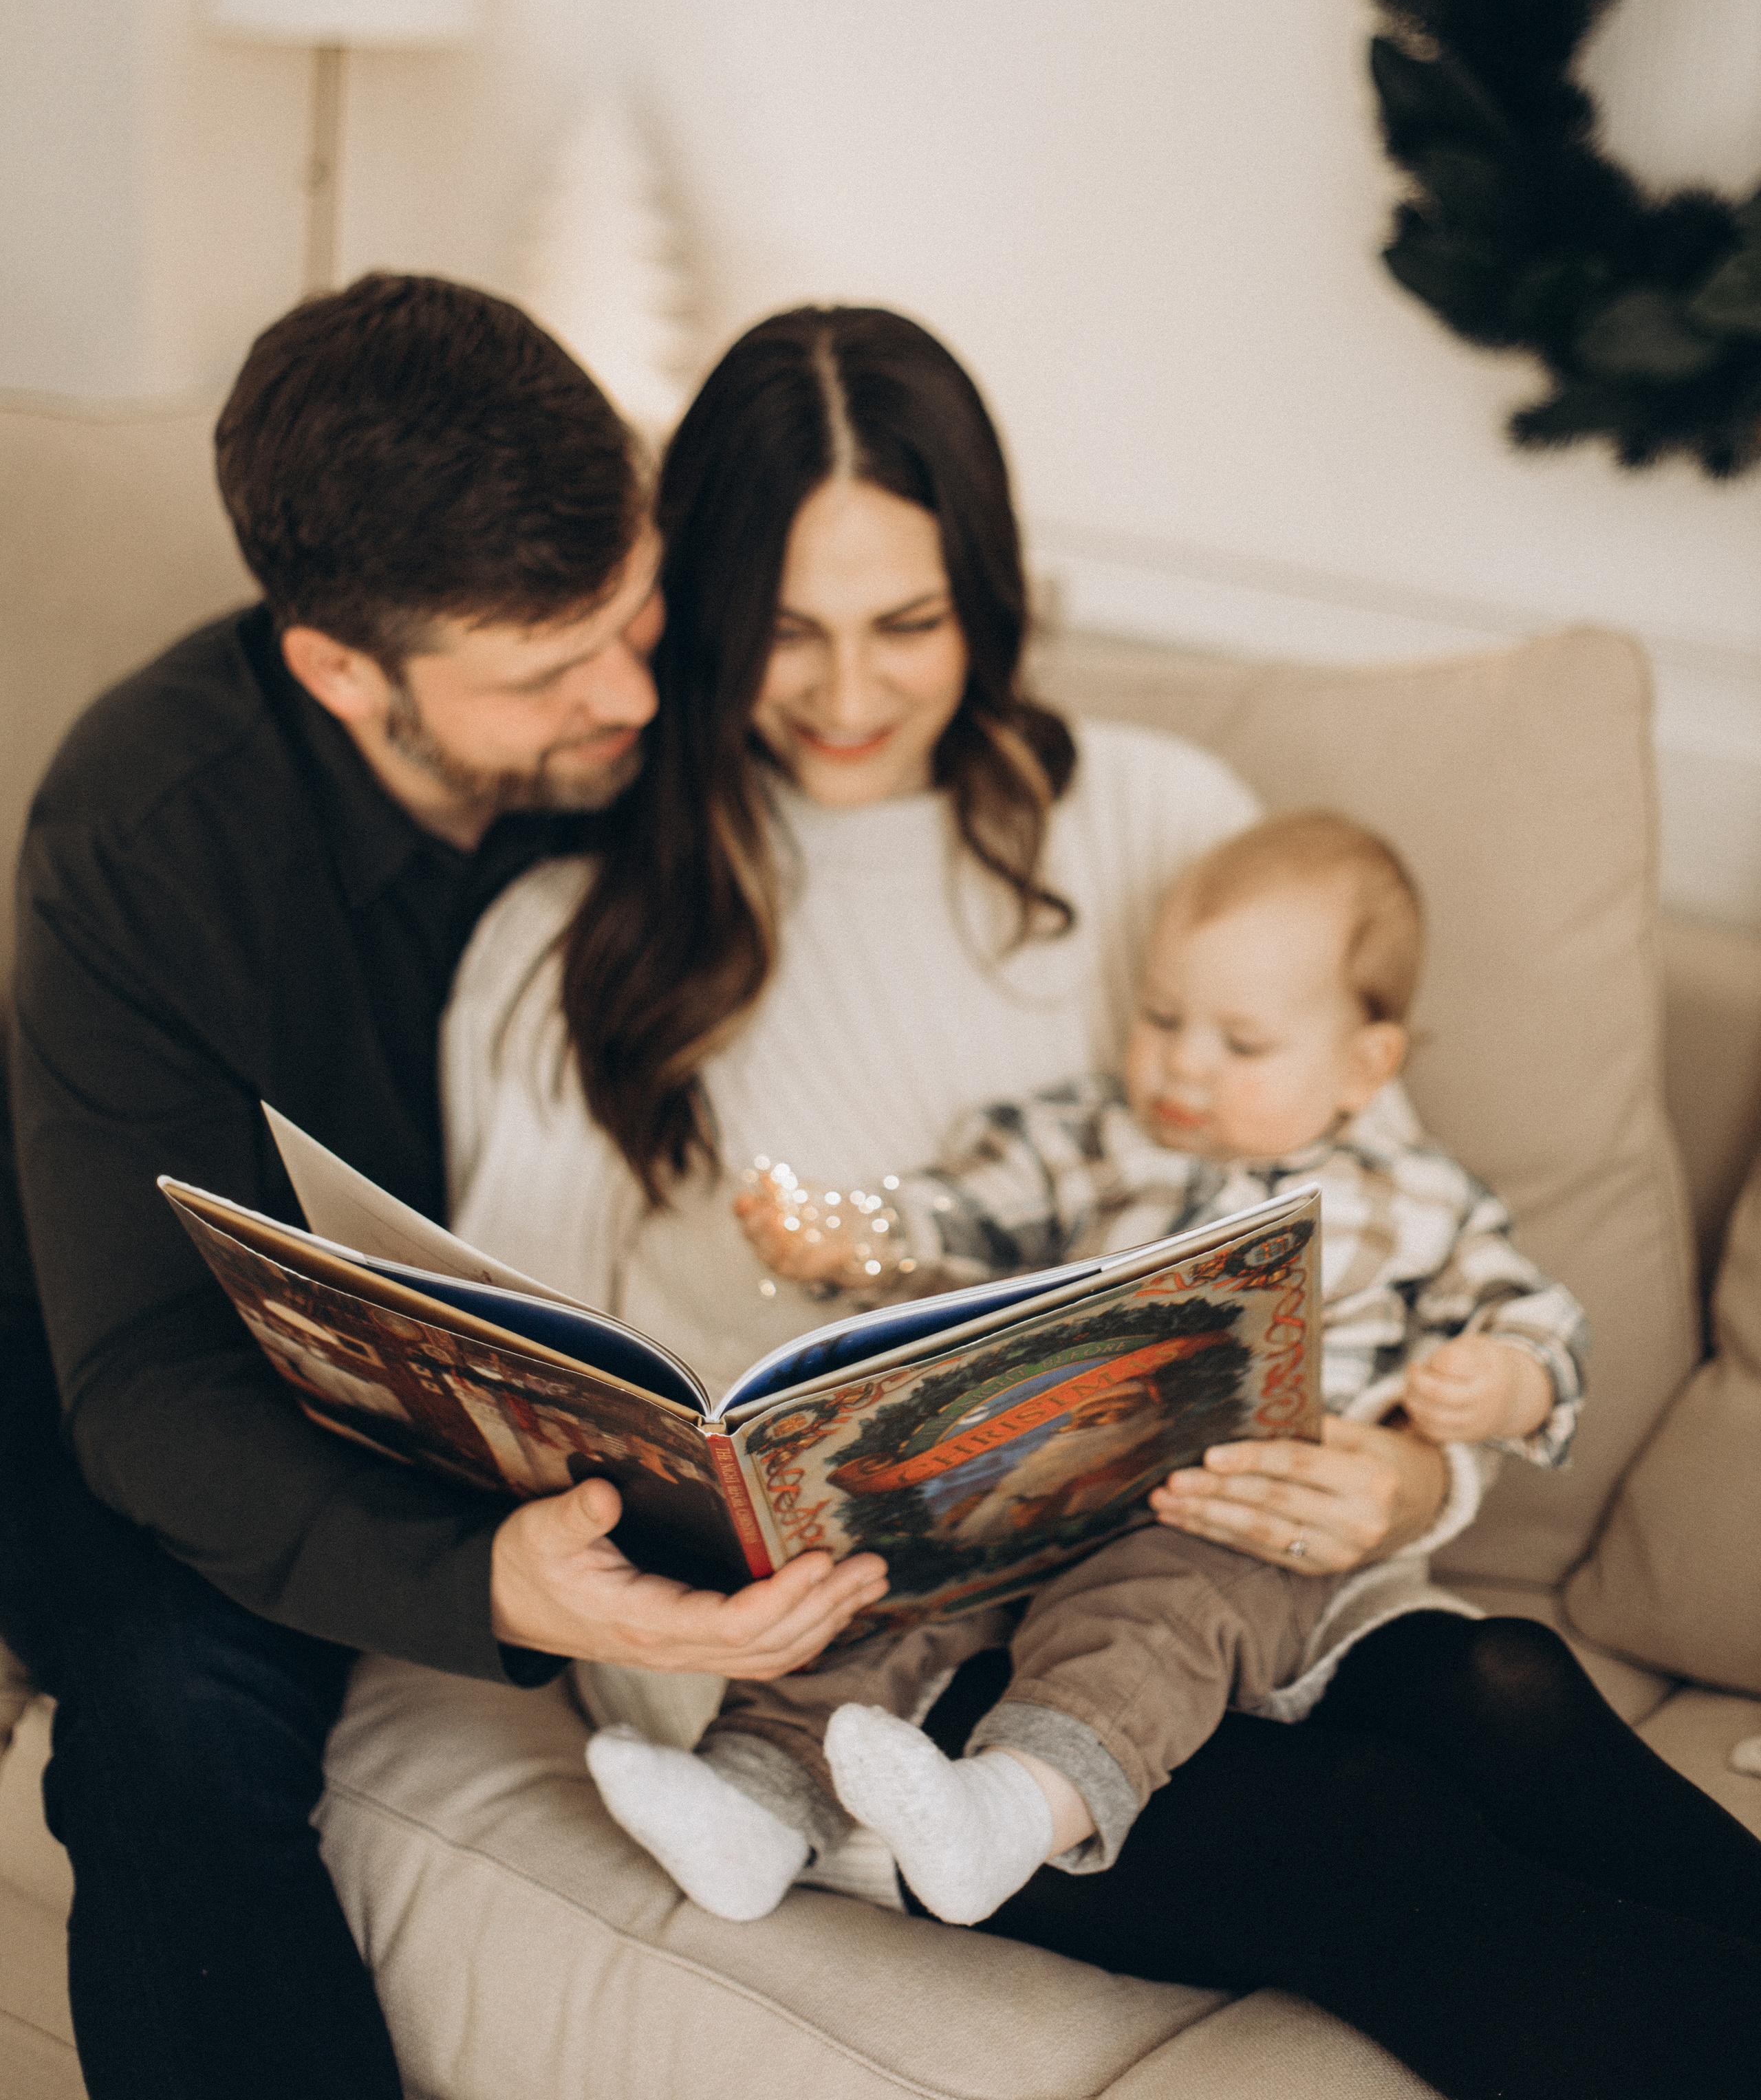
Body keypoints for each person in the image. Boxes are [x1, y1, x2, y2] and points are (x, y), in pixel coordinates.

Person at [439, 303, 1761, 2100]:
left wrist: (1408, 1470)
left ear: (989, 593)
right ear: (695, 617)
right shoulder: (563, 956)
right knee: (1360, 1832)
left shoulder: (1157, 821)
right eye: (785, 632)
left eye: (907, 622)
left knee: (1506, 1688)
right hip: (865, 1666)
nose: (846, 693)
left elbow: (1369, 1229)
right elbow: (511, 1404)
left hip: (1207, 1569)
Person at [3, 274, 883, 2100]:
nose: (634, 693)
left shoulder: (660, 738)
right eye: (551, 669)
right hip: (173, 1353)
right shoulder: (146, 832)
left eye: (635, 616)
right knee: (167, 1724)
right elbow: (144, 1388)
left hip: (562, 1366)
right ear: (341, 669)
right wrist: (487, 1581)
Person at [588, 809, 1591, 1926]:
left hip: (1240, 1524)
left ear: (1367, 1065)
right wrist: (853, 1239)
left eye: (1242, 1044)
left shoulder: (1418, 1198)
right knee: (872, 1585)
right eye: (1161, 1018)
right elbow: (955, 1215)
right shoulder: (1085, 1141)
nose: (1183, 1065)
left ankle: (1016, 1809)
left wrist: (1505, 1381)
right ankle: (755, 1800)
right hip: (1033, 1482)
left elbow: (1534, 1315)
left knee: (1151, 1614)